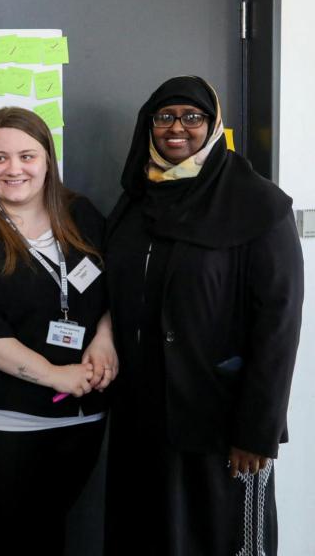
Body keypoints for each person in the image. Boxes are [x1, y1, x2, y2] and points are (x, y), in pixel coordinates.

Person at [104, 76, 303, 555]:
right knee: (148, 533)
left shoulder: (259, 205)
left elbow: (279, 325)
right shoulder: (136, 200)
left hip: (219, 422)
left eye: (193, 117)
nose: (178, 128)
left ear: (213, 126)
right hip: (143, 415)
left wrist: (258, 431)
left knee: (217, 537)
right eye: (165, 117)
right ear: (148, 126)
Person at [0, 107, 116, 555]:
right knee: (7, 538)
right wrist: (54, 374)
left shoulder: (83, 215)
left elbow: (119, 288)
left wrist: (104, 338)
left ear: (47, 160)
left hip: (82, 416)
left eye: (27, 156)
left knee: (49, 533)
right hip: (4, 420)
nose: (14, 169)